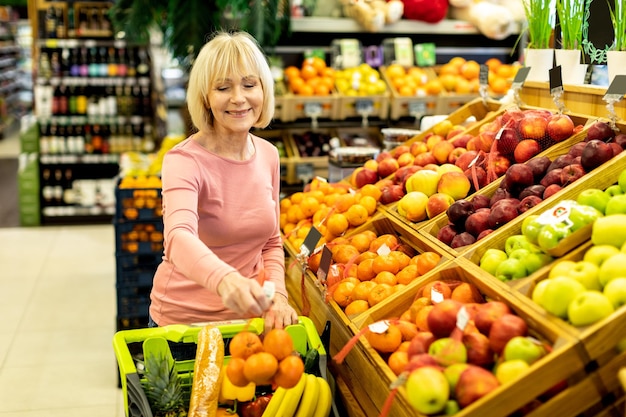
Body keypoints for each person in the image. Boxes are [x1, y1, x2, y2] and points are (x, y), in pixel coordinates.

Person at [149, 31, 298, 333]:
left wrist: (279, 295)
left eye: (249, 84)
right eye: (223, 87)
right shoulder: (183, 161)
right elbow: (178, 237)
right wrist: (226, 280)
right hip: (183, 324)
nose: (238, 98)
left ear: (263, 90)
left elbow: (271, 242)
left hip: (247, 322)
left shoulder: (268, 154)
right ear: (205, 96)